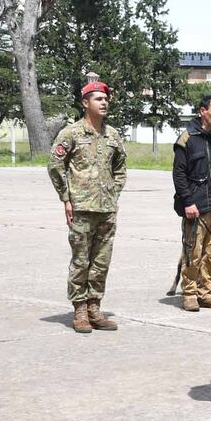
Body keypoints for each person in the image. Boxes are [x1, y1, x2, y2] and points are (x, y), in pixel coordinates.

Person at [48, 80, 127, 332]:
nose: (104, 102)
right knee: (81, 261)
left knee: (101, 262)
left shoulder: (112, 135)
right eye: (98, 99)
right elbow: (55, 165)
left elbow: (120, 168)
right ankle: (80, 310)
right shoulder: (71, 134)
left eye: (106, 99)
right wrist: (66, 198)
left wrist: (113, 194)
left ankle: (94, 307)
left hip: (106, 209)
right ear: (85, 103)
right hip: (81, 208)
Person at [171, 95, 211, 312]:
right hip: (195, 206)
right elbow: (179, 174)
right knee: (192, 252)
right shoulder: (187, 138)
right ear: (203, 111)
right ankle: (190, 294)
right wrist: (188, 201)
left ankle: (206, 293)